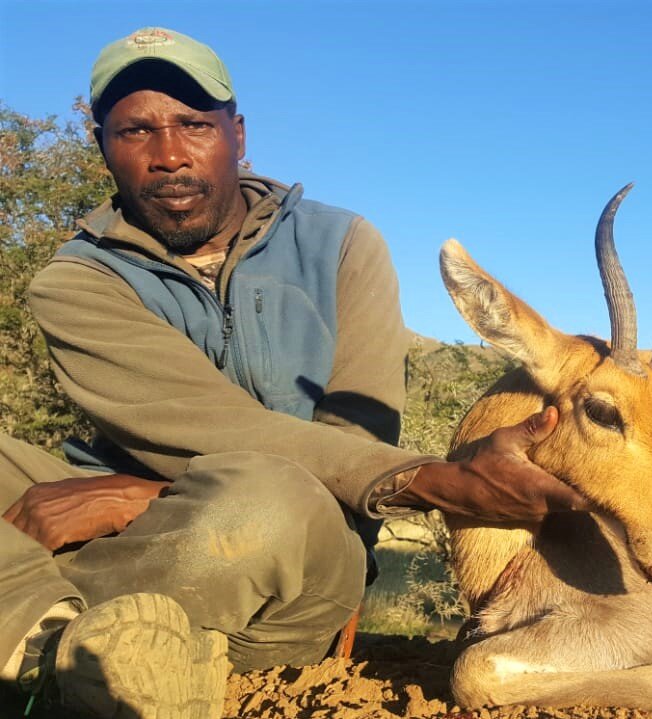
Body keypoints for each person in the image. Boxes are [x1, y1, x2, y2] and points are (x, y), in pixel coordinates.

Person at [0, 27, 584, 718]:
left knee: (265, 500)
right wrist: (434, 477)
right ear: (103, 146)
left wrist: (150, 496)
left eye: (193, 124)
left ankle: (32, 614)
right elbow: (190, 420)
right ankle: (74, 641)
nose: (167, 155)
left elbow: (344, 447)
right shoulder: (76, 281)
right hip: (130, 529)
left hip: (284, 542)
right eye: (135, 131)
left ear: (236, 135)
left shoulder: (344, 245)